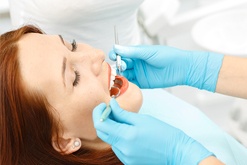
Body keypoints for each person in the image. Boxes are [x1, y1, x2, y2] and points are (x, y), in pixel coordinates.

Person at [1, 24, 236, 165]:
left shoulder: (145, 104)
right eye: (74, 77)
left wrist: (201, 70)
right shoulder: (164, 142)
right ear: (63, 142)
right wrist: (182, 156)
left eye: (71, 45)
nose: (96, 55)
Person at [92, 44, 247, 164]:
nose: (99, 54)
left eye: (73, 46)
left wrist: (198, 68)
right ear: (67, 142)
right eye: (74, 78)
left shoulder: (155, 101)